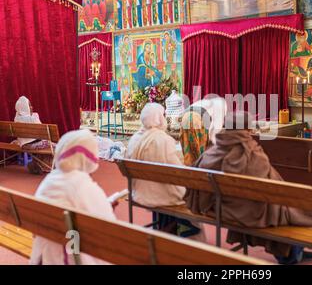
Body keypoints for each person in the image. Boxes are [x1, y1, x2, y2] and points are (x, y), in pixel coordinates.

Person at [184, 111, 312, 264]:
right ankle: (291, 254)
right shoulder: (251, 153)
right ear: (247, 129)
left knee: (279, 207)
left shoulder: (211, 153)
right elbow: (273, 187)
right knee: (288, 209)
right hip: (246, 212)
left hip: (218, 208)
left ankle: (292, 251)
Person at [30, 129, 115, 265]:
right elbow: (109, 228)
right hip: (67, 257)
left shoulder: (49, 180)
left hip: (43, 255)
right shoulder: (84, 187)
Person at [127, 103, 202, 238]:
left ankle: (164, 226)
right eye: (163, 115)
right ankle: (188, 236)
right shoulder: (163, 140)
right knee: (194, 193)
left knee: (162, 184)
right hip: (159, 196)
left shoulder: (134, 138)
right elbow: (177, 173)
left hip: (138, 192)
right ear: (159, 119)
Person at [180, 97, 227, 166]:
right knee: (201, 146)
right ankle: (199, 167)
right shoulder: (221, 105)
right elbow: (216, 128)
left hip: (185, 116)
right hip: (196, 117)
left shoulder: (207, 102)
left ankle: (189, 166)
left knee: (188, 145)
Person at [14, 96, 54, 175]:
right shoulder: (33, 118)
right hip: (33, 145)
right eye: (29, 105)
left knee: (47, 144)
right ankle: (44, 166)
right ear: (25, 107)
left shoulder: (17, 118)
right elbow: (44, 133)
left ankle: (38, 164)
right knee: (56, 146)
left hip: (23, 145)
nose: (31, 107)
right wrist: (34, 116)